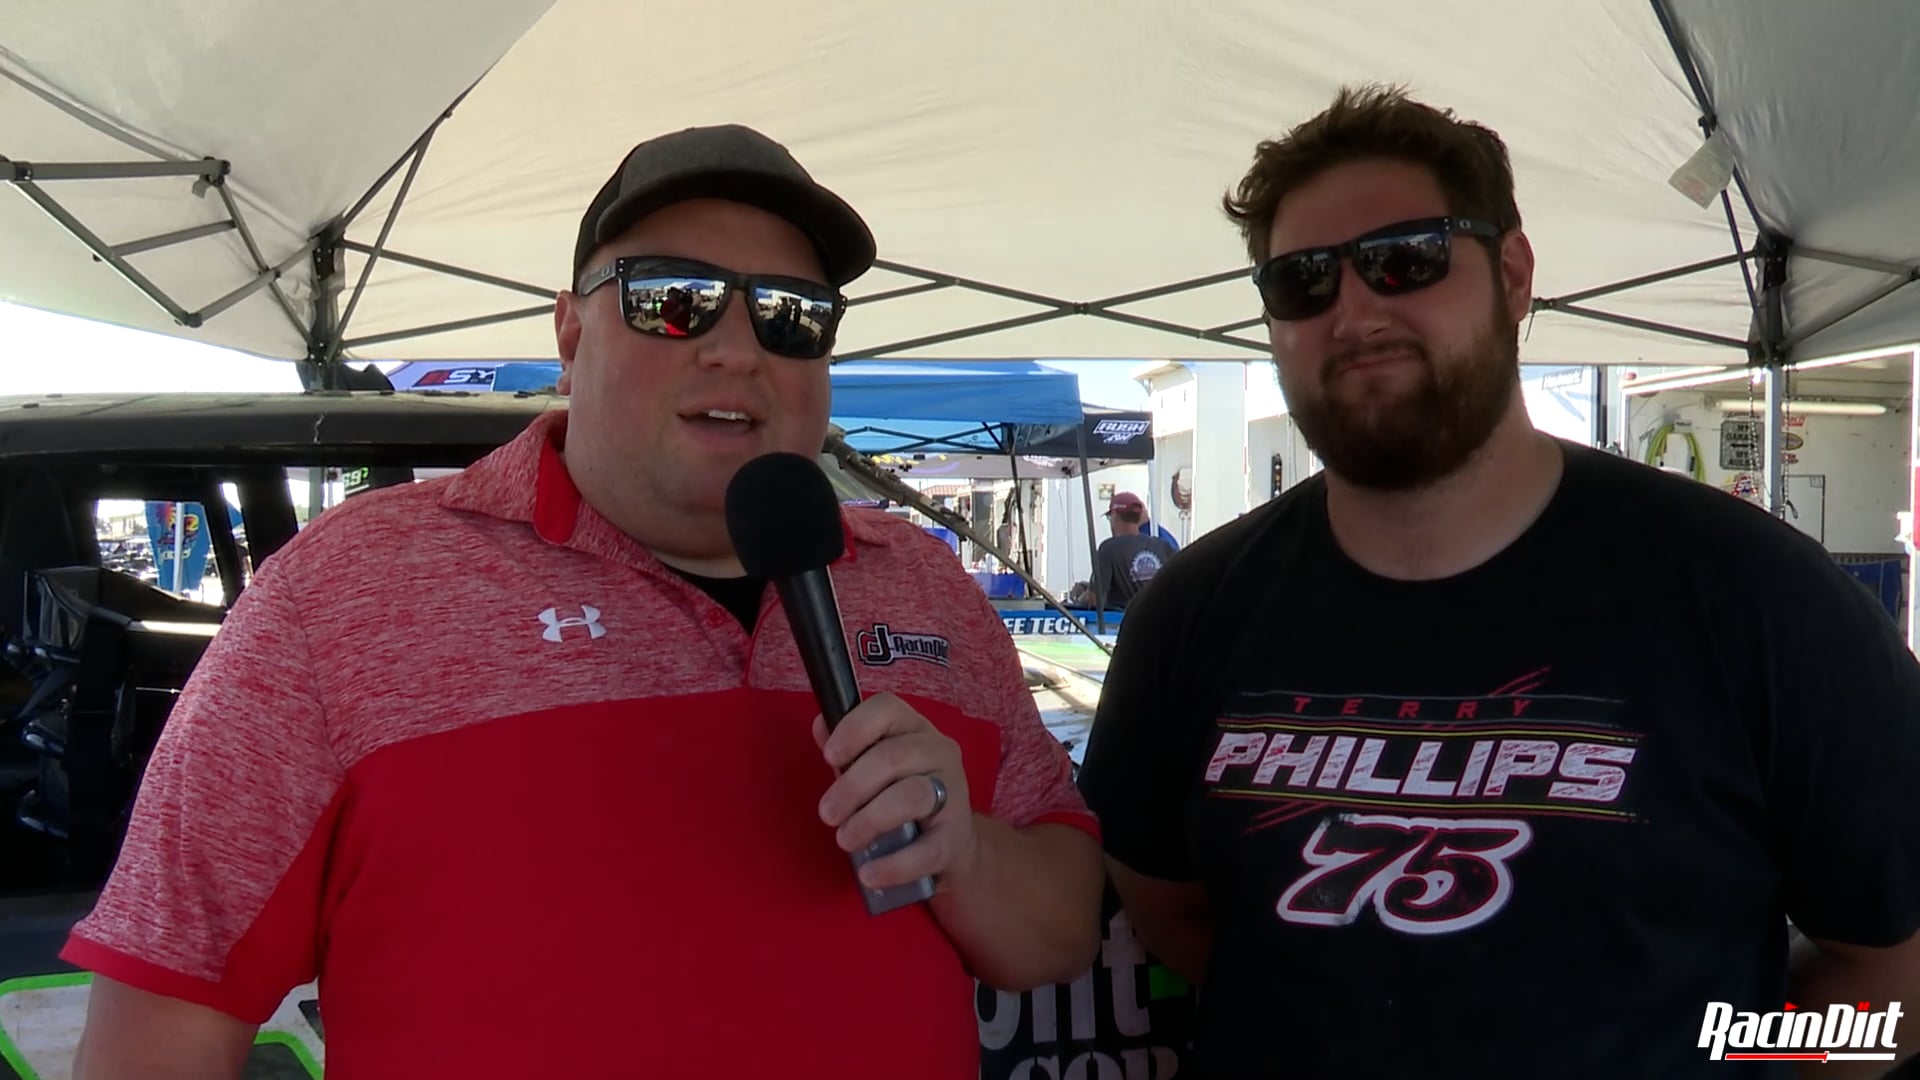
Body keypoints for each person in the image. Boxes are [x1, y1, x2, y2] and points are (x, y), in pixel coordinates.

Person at [64, 124, 1104, 1079]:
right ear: (569, 331)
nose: (736, 347)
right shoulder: (348, 593)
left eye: (792, 317)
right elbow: (164, 1017)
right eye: (670, 299)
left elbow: (1056, 934)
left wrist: (962, 845)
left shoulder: (922, 582)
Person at [1076, 84, 1920, 1079]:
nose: (1353, 310)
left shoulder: (1756, 597)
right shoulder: (1191, 612)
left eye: (1406, 258)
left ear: (1513, 274)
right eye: (1301, 281)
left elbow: (1893, 977)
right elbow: (1167, 907)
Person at [1091, 491, 1177, 610]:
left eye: (1109, 517)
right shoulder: (1162, 546)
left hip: (1125, 622)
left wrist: (1081, 596)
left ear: (1115, 515)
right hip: (1160, 621)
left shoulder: (1108, 548)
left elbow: (1095, 599)